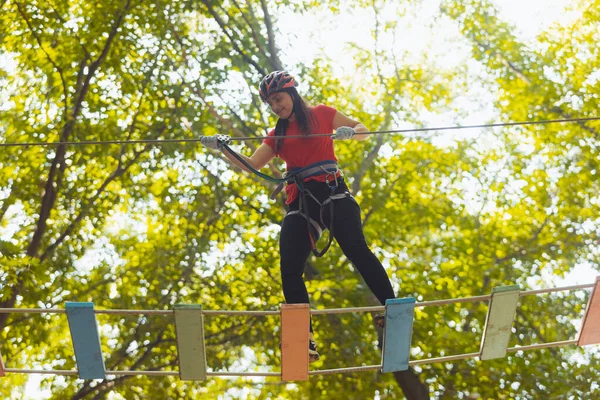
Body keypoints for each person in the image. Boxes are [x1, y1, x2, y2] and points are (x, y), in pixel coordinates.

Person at [200, 71, 396, 362]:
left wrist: (351, 132)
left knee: (356, 249)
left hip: (332, 192)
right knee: (289, 267)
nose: (275, 106)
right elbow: (252, 164)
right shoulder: (277, 135)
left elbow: (363, 129)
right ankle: (305, 338)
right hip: (302, 202)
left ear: (291, 93)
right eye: (270, 103)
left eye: (277, 99)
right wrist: (224, 148)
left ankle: (391, 308)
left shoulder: (322, 114)